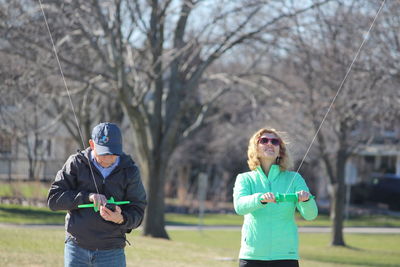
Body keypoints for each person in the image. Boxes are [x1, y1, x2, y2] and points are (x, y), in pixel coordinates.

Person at [48, 122, 147, 267]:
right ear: (92, 144)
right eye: (103, 153)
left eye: (112, 153)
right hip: (77, 247)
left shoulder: (130, 171)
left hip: (112, 251)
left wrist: (121, 218)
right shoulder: (76, 163)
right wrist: (86, 196)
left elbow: (138, 209)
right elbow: (54, 200)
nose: (107, 159)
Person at [233, 128, 318, 267]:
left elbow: (311, 215)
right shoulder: (244, 179)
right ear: (255, 148)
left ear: (281, 150)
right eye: (264, 140)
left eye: (275, 141)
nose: (270, 144)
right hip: (252, 256)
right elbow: (240, 207)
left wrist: (306, 200)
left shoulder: (294, 179)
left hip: (286, 255)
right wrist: (260, 198)